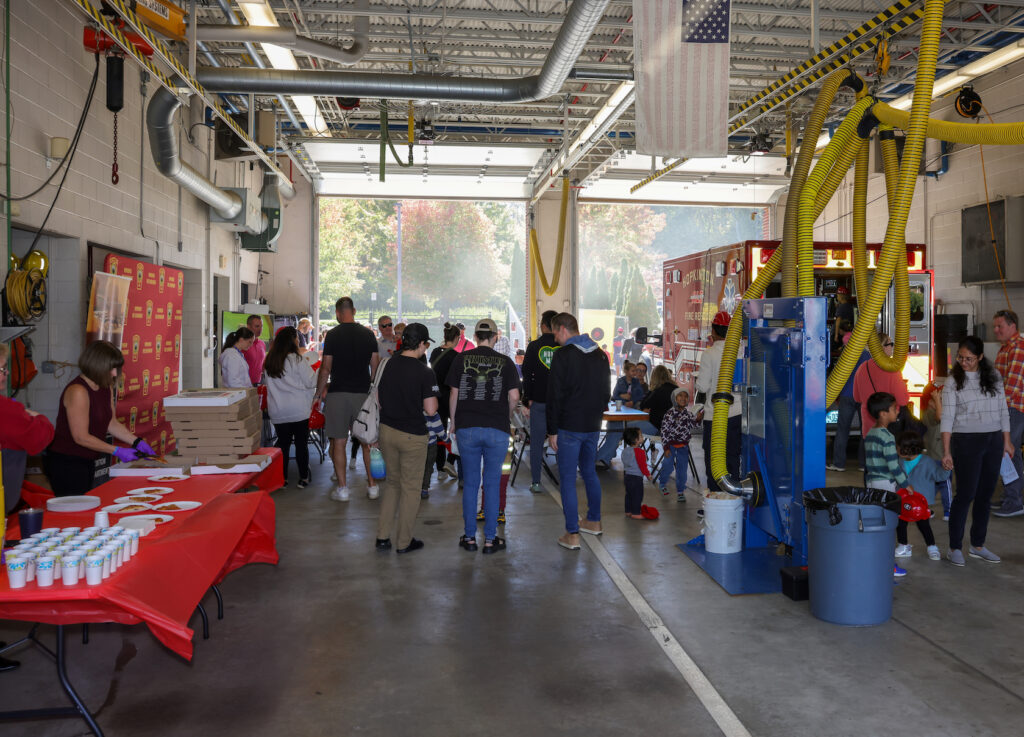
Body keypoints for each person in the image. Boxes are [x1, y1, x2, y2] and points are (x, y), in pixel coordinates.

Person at [446, 318, 521, 555]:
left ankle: (469, 538)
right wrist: (506, 417)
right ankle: (490, 540)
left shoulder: (461, 359)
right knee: (491, 483)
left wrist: (454, 423)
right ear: (495, 337)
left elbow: (454, 394)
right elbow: (514, 397)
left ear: (476, 336)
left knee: (470, 484)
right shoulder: (506, 362)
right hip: (497, 428)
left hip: (467, 427)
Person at [45, 341, 155, 496]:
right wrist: (116, 451)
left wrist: (136, 441)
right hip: (67, 462)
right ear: (98, 366)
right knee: (76, 511)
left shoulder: (105, 386)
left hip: (87, 460)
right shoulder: (78, 391)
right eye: (111, 369)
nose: (115, 374)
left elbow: (111, 423)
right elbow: (80, 437)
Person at [941, 336, 1013, 566]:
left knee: (985, 494)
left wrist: (1007, 440)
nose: (964, 362)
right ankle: (954, 548)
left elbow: (1003, 410)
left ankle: (977, 545)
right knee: (966, 494)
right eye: (961, 357)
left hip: (993, 440)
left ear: (981, 357)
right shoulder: (953, 382)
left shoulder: (993, 377)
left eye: (969, 358)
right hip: (966, 441)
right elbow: (947, 418)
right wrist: (946, 451)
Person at [546, 312, 610, 550]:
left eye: (555, 333)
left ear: (563, 329)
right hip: (593, 425)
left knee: (568, 480)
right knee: (589, 473)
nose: (555, 338)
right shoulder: (601, 355)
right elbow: (606, 393)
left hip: (569, 426)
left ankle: (572, 534)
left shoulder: (563, 355)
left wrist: (552, 430)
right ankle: (593, 521)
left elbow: (554, 395)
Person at [375, 323, 439, 555]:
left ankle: (382, 537)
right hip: (412, 435)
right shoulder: (424, 372)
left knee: (392, 484)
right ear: (421, 343)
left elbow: (379, 399)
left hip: (387, 431)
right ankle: (403, 542)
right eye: (426, 344)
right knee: (411, 489)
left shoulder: (388, 364)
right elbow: (431, 410)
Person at [316, 297, 380, 502]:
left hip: (337, 393)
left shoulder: (332, 335)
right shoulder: (368, 334)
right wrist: (372, 389)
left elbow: (326, 367)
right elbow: (375, 366)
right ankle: (372, 486)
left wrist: (318, 393)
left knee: (339, 442)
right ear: (354, 310)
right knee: (367, 442)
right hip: (362, 394)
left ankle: (343, 489)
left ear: (337, 312)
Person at [0, 342, 55, 514]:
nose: (7, 373)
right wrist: (37, 417)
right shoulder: (6, 410)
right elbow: (39, 438)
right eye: (2, 369)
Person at [862, 392, 909, 578]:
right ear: (883, 413)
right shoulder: (887, 437)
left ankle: (873, 559)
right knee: (888, 525)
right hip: (886, 486)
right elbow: (893, 466)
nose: (897, 411)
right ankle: (889, 564)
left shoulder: (871, 434)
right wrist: (906, 484)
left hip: (871, 482)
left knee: (875, 523)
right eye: (893, 408)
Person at [264, 326, 318, 489]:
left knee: (283, 444)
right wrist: (320, 370)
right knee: (301, 444)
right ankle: (303, 478)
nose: (298, 341)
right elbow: (310, 382)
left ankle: (283, 479)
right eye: (296, 338)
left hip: (278, 410)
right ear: (292, 340)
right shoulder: (297, 359)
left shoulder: (269, 360)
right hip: (298, 409)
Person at [695, 311, 742, 491]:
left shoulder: (709, 354)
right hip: (737, 414)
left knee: (714, 460)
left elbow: (703, 386)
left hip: (715, 416)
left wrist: (698, 379)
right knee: (732, 458)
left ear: (713, 331)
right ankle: (733, 500)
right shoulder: (739, 350)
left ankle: (716, 500)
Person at [521, 310, 558, 494]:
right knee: (563, 441)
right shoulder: (564, 346)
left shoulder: (534, 346)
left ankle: (536, 482)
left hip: (540, 402)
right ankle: (565, 479)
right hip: (561, 404)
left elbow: (527, 374)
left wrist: (527, 398)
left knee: (536, 443)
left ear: (543, 326)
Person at [992, 309, 1024, 517]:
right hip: (1007, 407)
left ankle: (1014, 501)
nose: (996, 330)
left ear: (1012, 326)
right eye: (995, 326)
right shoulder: (1005, 349)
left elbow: (1012, 384)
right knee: (1011, 453)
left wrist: (997, 410)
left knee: (1007, 451)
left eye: (999, 326)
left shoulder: (1018, 348)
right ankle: (1011, 496)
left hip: (1013, 408)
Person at [896, 431, 946, 560]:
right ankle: (903, 546)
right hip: (903, 501)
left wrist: (946, 469)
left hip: (920, 503)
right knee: (901, 523)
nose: (897, 449)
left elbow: (939, 476)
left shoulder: (927, 461)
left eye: (899, 446)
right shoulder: (899, 461)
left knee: (923, 525)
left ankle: (932, 547)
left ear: (908, 448)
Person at [852, 333, 909, 439]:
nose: (892, 347)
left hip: (869, 427)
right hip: (888, 428)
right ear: (882, 348)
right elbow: (902, 401)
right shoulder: (892, 370)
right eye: (890, 344)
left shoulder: (862, 368)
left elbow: (857, 397)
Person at [827, 346, 871, 472]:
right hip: (863, 396)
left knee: (842, 430)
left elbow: (837, 374)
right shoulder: (868, 356)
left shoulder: (846, 354)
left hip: (847, 395)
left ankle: (839, 464)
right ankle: (863, 464)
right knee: (865, 431)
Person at [431, 323, 462, 481]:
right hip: (451, 397)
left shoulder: (435, 352)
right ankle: (450, 461)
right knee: (456, 430)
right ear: (456, 338)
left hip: (435, 397)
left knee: (439, 432)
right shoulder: (456, 356)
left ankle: (440, 468)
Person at [658, 388, 698, 502]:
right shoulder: (669, 414)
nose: (683, 398)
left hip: (683, 446)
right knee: (668, 465)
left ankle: (680, 490)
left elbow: (694, 426)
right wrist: (665, 447)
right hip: (670, 445)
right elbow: (664, 432)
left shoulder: (689, 414)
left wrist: (699, 419)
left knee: (682, 469)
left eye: (686, 396)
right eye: (680, 396)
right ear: (675, 399)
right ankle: (662, 483)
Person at [621, 427, 651, 520]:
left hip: (627, 477)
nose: (642, 437)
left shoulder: (625, 451)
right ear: (636, 440)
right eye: (641, 436)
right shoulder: (640, 452)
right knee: (637, 496)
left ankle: (628, 511)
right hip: (637, 479)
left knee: (629, 495)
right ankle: (636, 513)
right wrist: (648, 475)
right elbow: (643, 466)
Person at [242, 314, 267, 386]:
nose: (260, 329)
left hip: (258, 384)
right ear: (248, 326)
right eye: (257, 326)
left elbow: (262, 365)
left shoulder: (262, 344)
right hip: (244, 384)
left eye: (261, 326)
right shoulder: (243, 344)